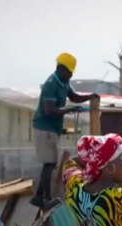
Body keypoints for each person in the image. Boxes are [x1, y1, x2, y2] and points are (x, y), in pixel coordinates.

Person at [30, 52, 99, 210]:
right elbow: (49, 110)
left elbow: (73, 96)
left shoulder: (63, 82)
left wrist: (90, 97)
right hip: (44, 127)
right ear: (60, 69)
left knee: (50, 163)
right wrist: (69, 110)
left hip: (52, 128)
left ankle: (38, 197)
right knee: (50, 163)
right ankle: (46, 199)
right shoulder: (51, 85)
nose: (71, 75)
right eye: (69, 71)